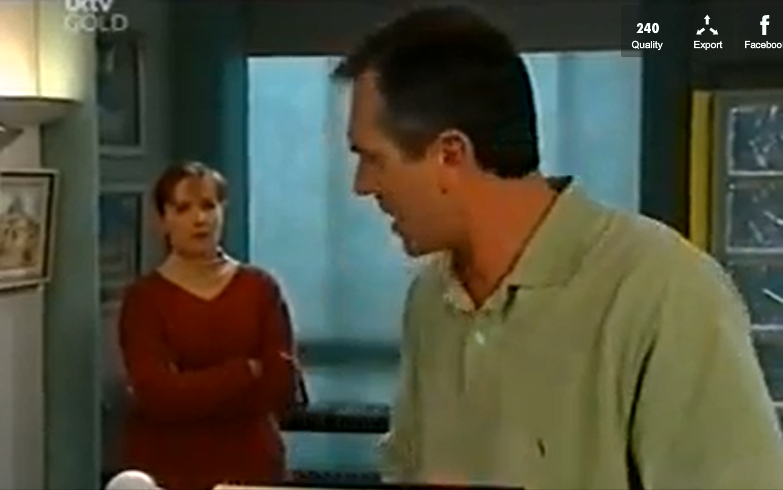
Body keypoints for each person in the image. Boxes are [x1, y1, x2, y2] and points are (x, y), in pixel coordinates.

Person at [332, 6, 783, 489]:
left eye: (373, 159)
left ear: (450, 153)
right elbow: (407, 467)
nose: (361, 185)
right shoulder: (430, 300)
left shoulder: (663, 293)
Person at [117, 162, 299, 490]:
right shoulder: (144, 299)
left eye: (208, 206)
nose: (199, 219)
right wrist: (243, 372)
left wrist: (191, 387)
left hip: (252, 463)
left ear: (222, 211)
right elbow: (157, 395)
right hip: (170, 466)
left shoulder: (259, 288)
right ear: (163, 220)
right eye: (183, 208)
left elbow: (281, 386)